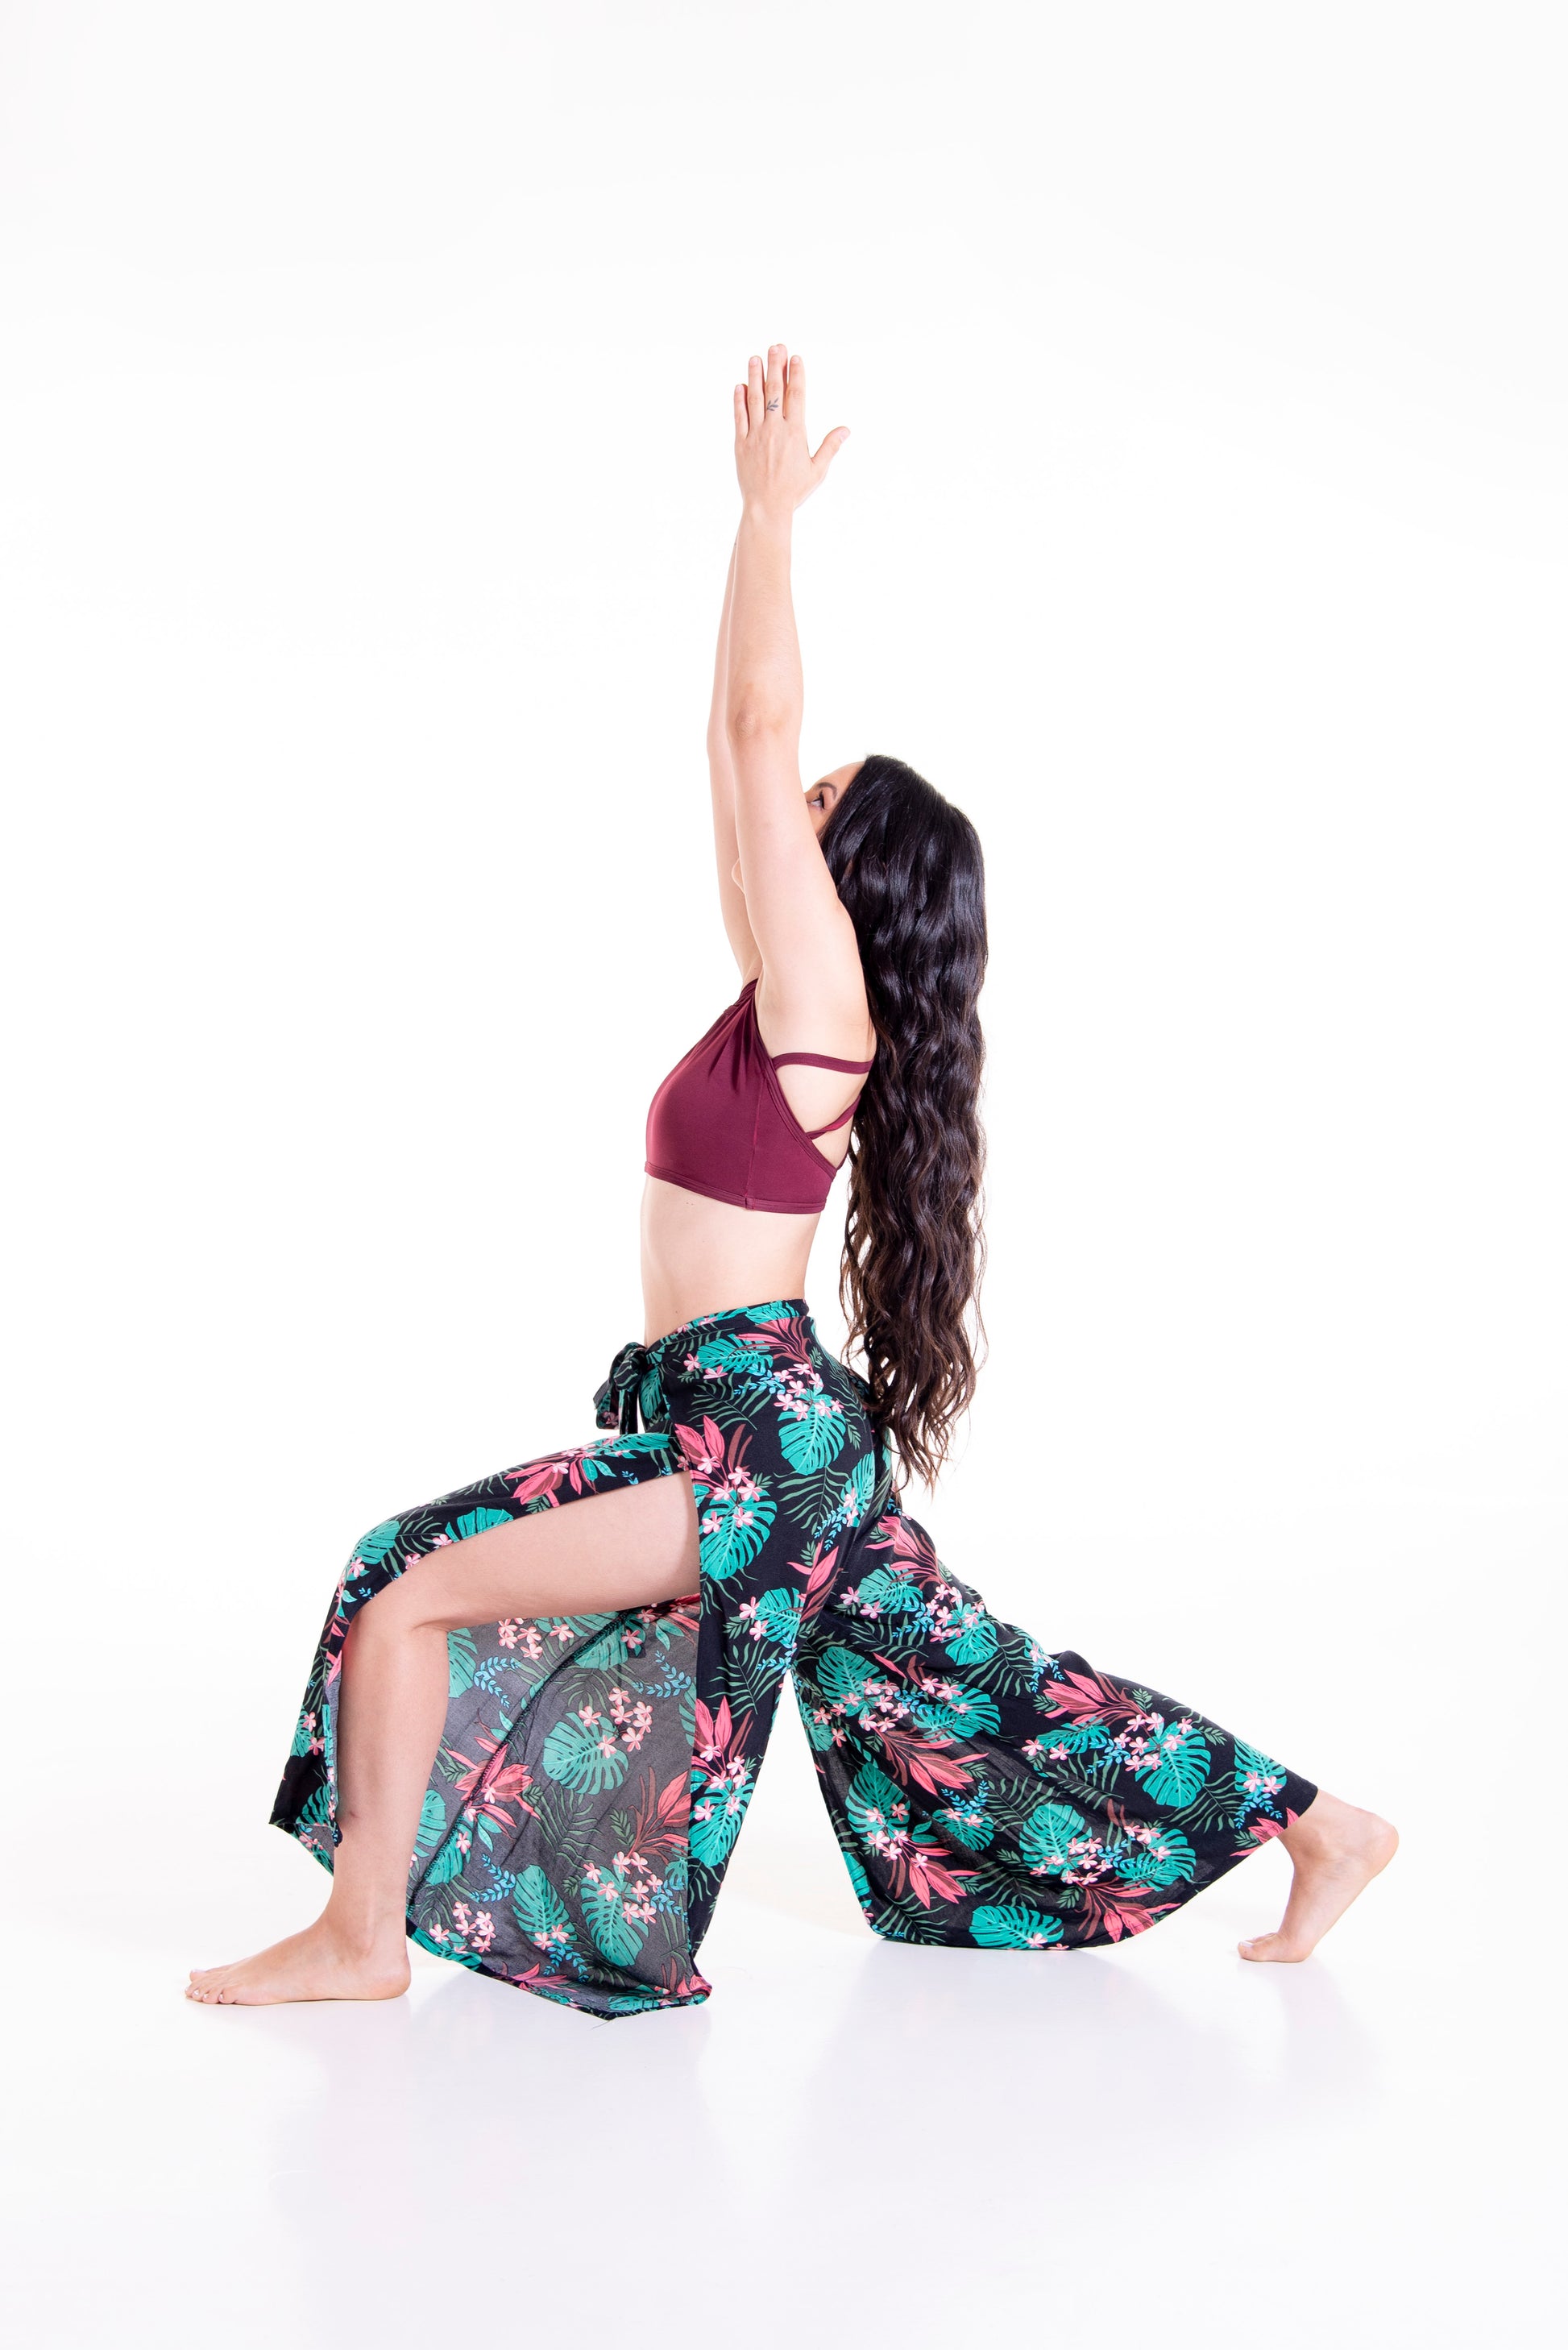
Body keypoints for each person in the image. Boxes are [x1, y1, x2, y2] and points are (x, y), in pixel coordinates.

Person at [188, 346, 1396, 2016]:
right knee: (977, 1683)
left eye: (817, 803)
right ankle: (1323, 1824)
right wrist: (742, 584)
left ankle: (360, 1938)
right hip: (743, 1426)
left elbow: (755, 726)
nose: (783, 800)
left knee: (401, 1592)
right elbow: (728, 745)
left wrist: (764, 523)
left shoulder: (825, 1009)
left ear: (860, 878)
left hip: (748, 1443)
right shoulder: (788, 1003)